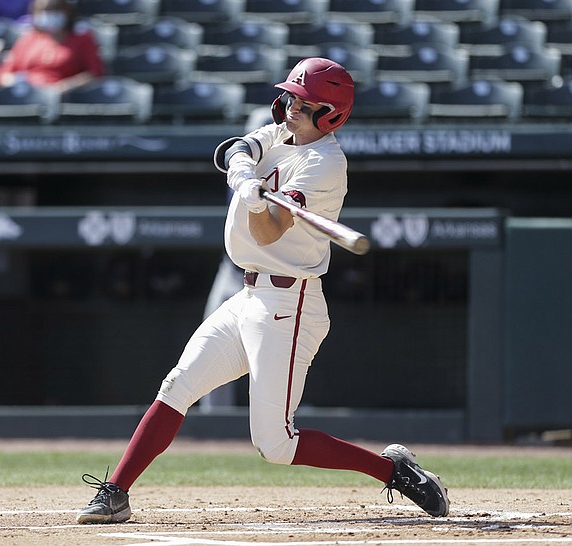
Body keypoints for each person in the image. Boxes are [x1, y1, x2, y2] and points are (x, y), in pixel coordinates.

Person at [76, 57, 451, 524]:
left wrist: (256, 203)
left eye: (303, 102)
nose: (290, 106)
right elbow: (240, 145)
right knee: (178, 385)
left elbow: (271, 231)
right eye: (290, 97)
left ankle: (394, 472)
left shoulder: (325, 165)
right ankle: (115, 492)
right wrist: (241, 170)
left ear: (329, 113)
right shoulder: (281, 132)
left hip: (289, 304)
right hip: (248, 294)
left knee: (276, 444)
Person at [0, 0, 104, 92]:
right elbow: (3, 75)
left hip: (64, 97)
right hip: (28, 95)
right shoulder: (28, 39)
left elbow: (95, 74)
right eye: (43, 11)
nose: (48, 14)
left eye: (54, 9)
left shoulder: (83, 39)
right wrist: (13, 81)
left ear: (67, 12)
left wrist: (67, 86)